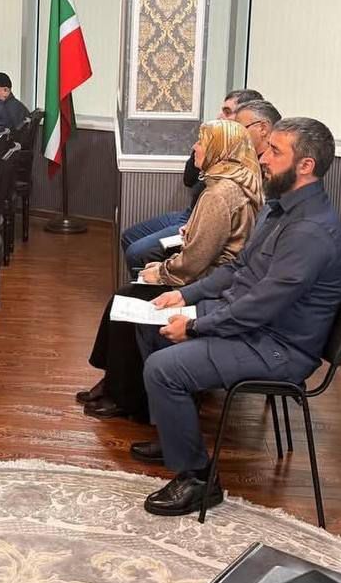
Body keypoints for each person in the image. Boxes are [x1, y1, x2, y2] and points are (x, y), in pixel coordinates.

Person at [132, 117, 341, 516]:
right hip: (252, 323)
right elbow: (237, 270)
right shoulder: (278, 208)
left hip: (278, 347)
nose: (262, 158)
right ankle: (174, 434)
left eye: (275, 152)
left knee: (163, 370)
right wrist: (184, 294)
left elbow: (261, 306)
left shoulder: (311, 231)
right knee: (151, 327)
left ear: (306, 166)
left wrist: (195, 325)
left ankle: (200, 479)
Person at [79, 119, 263, 422]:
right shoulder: (240, 183)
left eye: (201, 142)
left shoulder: (219, 194)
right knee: (123, 298)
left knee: (126, 302)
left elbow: (194, 262)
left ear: (219, 149)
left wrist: (161, 272)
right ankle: (113, 384)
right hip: (220, 281)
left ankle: (125, 397)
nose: (195, 147)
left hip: (209, 286)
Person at [119, 90, 271, 272]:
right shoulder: (220, 151)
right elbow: (189, 179)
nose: (221, 117)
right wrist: (208, 145)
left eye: (229, 113)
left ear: (262, 128)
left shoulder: (236, 180)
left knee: (137, 252)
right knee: (129, 236)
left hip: (207, 226)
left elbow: (199, 257)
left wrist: (161, 273)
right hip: (193, 214)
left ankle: (145, 286)